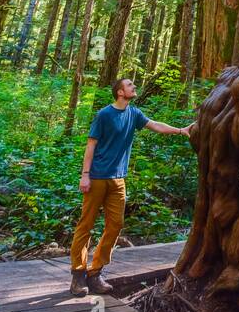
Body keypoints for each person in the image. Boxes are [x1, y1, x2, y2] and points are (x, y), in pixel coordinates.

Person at [69, 76, 193, 296]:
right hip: (97, 177)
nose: (134, 87)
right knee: (85, 225)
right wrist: (85, 175)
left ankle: (95, 272)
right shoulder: (104, 115)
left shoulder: (134, 114)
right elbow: (91, 145)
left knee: (115, 225)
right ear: (119, 92)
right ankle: (78, 276)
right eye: (129, 85)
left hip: (118, 180)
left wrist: (181, 130)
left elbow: (155, 125)